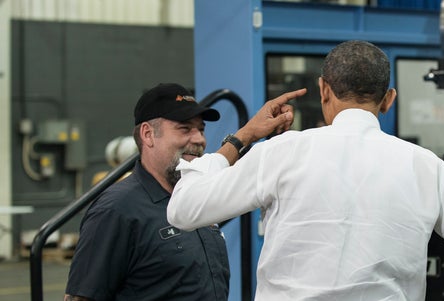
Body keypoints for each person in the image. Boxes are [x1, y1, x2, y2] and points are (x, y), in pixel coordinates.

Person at [166, 40, 444, 300]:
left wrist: (240, 138)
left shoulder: (281, 152)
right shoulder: (424, 168)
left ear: (323, 91)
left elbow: (184, 210)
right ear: (389, 99)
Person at [64, 83, 304, 300]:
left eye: (201, 129)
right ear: (148, 135)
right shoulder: (117, 209)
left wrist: (249, 134)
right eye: (184, 129)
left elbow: (215, 166)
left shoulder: (198, 196)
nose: (198, 139)